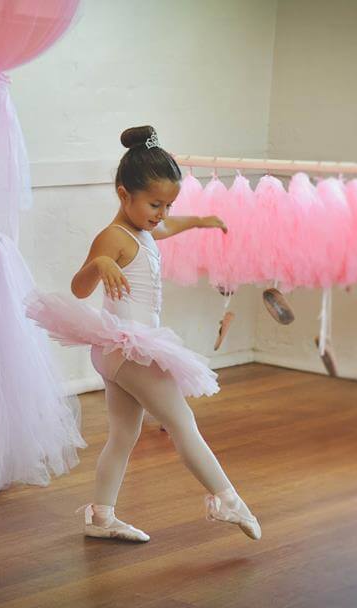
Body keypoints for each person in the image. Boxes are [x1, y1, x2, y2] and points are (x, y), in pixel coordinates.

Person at [27, 125, 260, 543]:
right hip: (129, 347)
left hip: (119, 351)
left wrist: (200, 221)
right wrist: (100, 264)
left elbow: (166, 230)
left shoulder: (144, 230)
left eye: (168, 205)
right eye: (155, 204)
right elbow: (78, 289)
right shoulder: (113, 237)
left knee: (123, 434)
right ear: (124, 194)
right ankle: (226, 498)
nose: (162, 214)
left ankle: (101, 517)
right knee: (182, 421)